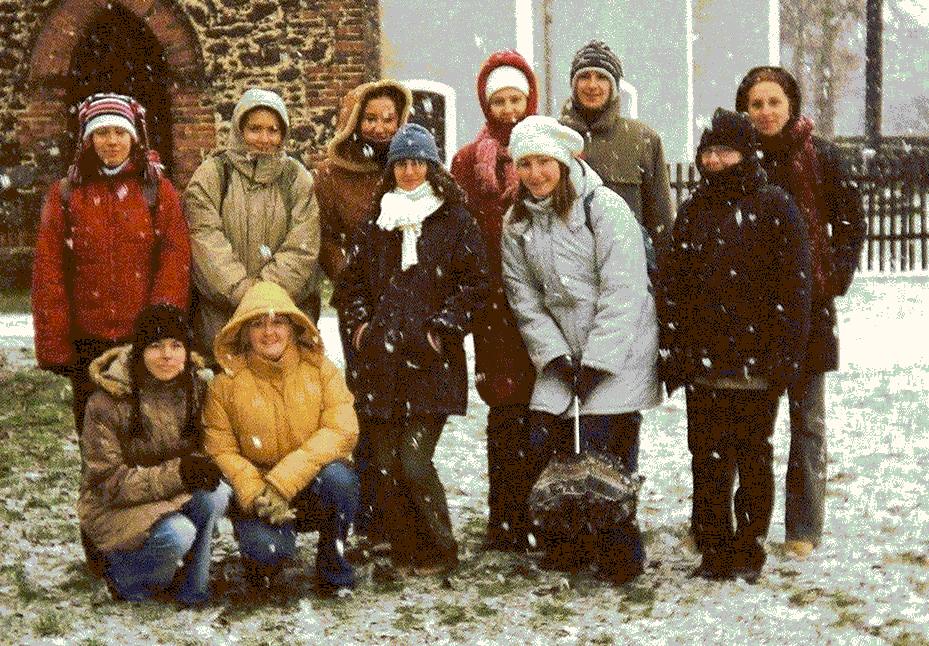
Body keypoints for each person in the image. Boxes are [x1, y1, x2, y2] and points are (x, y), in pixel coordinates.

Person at [500, 116, 660, 583]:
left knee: (605, 452)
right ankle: (566, 539)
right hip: (561, 349)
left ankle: (618, 546)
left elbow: (624, 289)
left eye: (544, 162)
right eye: (525, 164)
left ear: (564, 162)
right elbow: (523, 295)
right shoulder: (517, 220)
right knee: (547, 442)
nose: (535, 173)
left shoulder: (604, 209)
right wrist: (553, 355)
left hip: (619, 347)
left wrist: (596, 362)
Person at [659, 108, 812, 582]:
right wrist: (675, 347)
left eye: (724, 151)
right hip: (704, 364)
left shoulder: (775, 207)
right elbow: (672, 285)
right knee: (707, 458)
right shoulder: (694, 211)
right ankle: (714, 547)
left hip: (756, 365)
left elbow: (794, 287)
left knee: (752, 457)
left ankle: (748, 547)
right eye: (709, 152)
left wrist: (783, 355)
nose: (715, 160)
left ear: (745, 154)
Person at [333, 124, 488, 576]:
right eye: (401, 163)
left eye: (418, 162)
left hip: (430, 363)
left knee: (414, 463)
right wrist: (361, 326)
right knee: (384, 464)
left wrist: (443, 330)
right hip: (381, 360)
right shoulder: (376, 219)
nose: (409, 171)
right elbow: (351, 284)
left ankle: (441, 548)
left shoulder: (454, 219)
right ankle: (406, 547)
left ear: (432, 166)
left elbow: (476, 284)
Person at [735, 66, 867, 559]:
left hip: (809, 311)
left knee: (807, 421)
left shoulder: (821, 158)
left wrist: (831, 278)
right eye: (756, 104)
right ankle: (746, 521)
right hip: (753, 312)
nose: (765, 112)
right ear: (744, 109)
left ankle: (803, 528)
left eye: (774, 102)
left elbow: (850, 222)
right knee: (749, 422)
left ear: (790, 105)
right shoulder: (737, 158)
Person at [32, 92, 190, 437]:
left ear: (133, 137)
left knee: (148, 432)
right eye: (102, 133)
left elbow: (174, 258)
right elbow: (50, 273)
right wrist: (55, 343)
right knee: (95, 434)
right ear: (89, 139)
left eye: (120, 133)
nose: (112, 141)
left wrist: (161, 324)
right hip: (87, 338)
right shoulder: (65, 195)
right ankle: (98, 490)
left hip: (142, 338)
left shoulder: (157, 192)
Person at [202, 281, 359, 597]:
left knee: (340, 480)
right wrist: (256, 492)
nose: (269, 332)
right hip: (260, 495)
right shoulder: (224, 385)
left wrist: (283, 482)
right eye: (258, 324)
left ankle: (334, 569)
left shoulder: (322, 371)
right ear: (244, 332)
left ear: (293, 327)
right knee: (268, 552)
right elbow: (220, 448)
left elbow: (342, 430)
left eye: (278, 322)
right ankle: (263, 561)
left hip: (310, 484)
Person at [78, 304, 230, 606]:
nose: (167, 355)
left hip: (168, 496)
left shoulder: (196, 387)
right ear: (139, 351)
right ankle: (124, 576)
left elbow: (207, 446)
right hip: (115, 506)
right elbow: (109, 483)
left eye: (176, 345)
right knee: (178, 533)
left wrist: (201, 467)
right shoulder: (107, 401)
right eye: (156, 346)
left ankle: (193, 585)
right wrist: (180, 473)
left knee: (217, 493)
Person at [314, 79, 412, 546]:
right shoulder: (332, 176)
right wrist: (351, 272)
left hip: (409, 302)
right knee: (368, 410)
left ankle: (405, 507)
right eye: (370, 118)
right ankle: (372, 511)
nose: (378, 127)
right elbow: (326, 237)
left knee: (408, 409)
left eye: (387, 119)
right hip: (361, 304)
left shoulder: (411, 166)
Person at [450, 49, 538, 551]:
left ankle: (545, 510)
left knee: (546, 407)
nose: (508, 110)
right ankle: (505, 518)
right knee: (505, 408)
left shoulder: (547, 151)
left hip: (546, 296)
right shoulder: (468, 161)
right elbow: (462, 230)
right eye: (499, 101)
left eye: (516, 100)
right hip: (494, 304)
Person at [184, 88, 321, 365]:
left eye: (273, 130)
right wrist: (245, 294)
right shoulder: (212, 176)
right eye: (255, 129)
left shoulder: (296, 178)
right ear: (239, 130)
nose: (264, 139)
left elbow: (302, 244)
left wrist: (266, 296)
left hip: (281, 323)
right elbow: (206, 241)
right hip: (222, 322)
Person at [559, 40, 675, 255]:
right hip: (565, 273)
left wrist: (661, 276)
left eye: (602, 77)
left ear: (614, 86)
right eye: (584, 76)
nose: (592, 85)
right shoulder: (554, 136)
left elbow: (661, 223)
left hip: (628, 268)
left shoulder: (642, 139)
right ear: (573, 85)